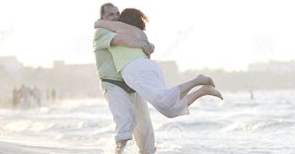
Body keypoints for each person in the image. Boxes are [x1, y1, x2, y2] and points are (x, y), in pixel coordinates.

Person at [95, 8, 223, 119]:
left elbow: (99, 23)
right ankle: (203, 91)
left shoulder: (121, 28)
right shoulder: (142, 35)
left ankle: (197, 80)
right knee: (170, 111)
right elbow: (148, 52)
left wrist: (100, 21)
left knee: (163, 101)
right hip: (150, 66)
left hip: (133, 68)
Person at [93, 3, 156, 154]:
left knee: (145, 126)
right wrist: (144, 45)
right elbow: (121, 40)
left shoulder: (126, 31)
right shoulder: (102, 32)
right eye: (111, 15)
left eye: (117, 14)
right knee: (126, 119)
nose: (115, 17)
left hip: (134, 83)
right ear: (103, 18)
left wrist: (148, 47)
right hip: (112, 82)